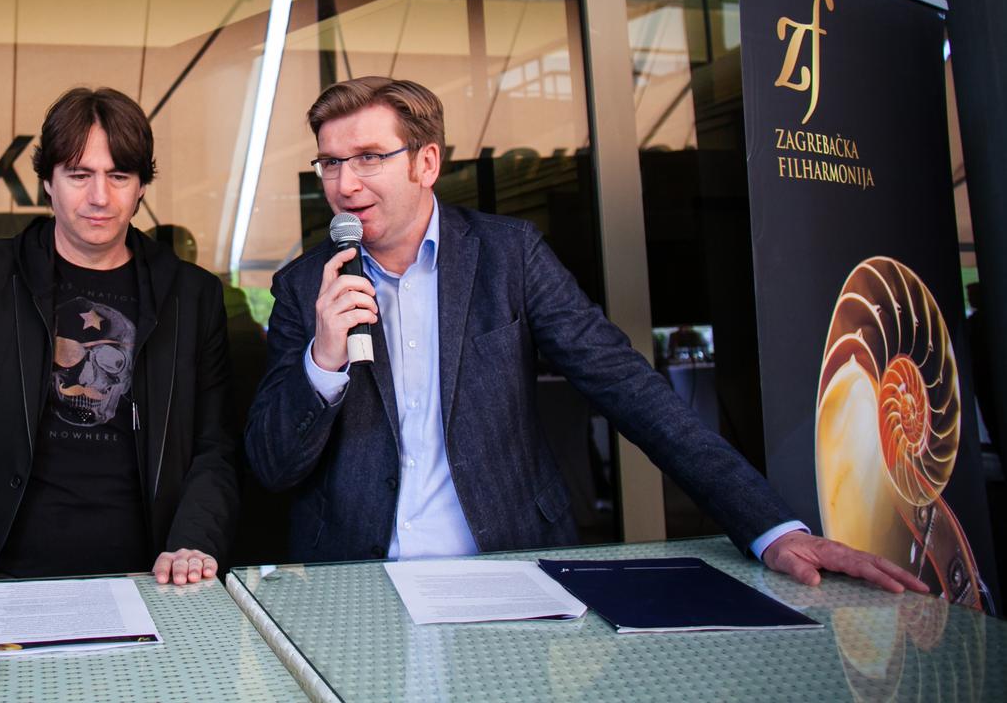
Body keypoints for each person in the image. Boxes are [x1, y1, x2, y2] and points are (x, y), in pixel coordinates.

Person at [245, 76, 926, 595]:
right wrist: (323, 361)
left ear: (426, 163)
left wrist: (768, 526)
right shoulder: (306, 286)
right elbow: (273, 464)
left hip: (507, 568)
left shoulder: (509, 256)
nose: (344, 184)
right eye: (329, 163)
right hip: (358, 582)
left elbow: (629, 388)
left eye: (368, 157)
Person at [0, 87, 237, 600]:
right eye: (79, 175)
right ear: (48, 181)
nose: (100, 197)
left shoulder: (192, 295)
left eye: (119, 176)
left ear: (142, 186)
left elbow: (214, 445)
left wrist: (194, 542)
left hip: (149, 578)